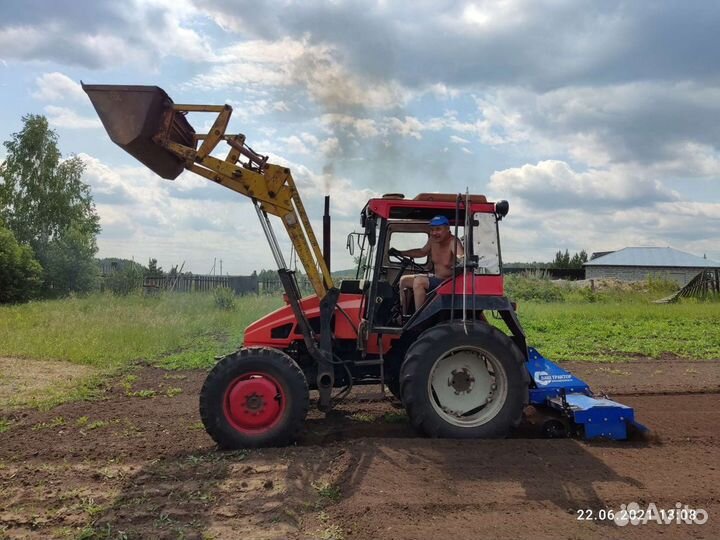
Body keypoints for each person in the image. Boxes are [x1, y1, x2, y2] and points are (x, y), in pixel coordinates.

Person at [391, 215, 464, 315]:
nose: (434, 233)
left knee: (419, 282)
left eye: (438, 229)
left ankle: (419, 319)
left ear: (447, 229)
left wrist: (462, 259)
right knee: (404, 280)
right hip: (436, 279)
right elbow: (421, 252)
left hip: (448, 283)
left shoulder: (453, 241)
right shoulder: (432, 241)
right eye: (432, 230)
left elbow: (460, 255)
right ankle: (403, 317)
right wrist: (401, 253)